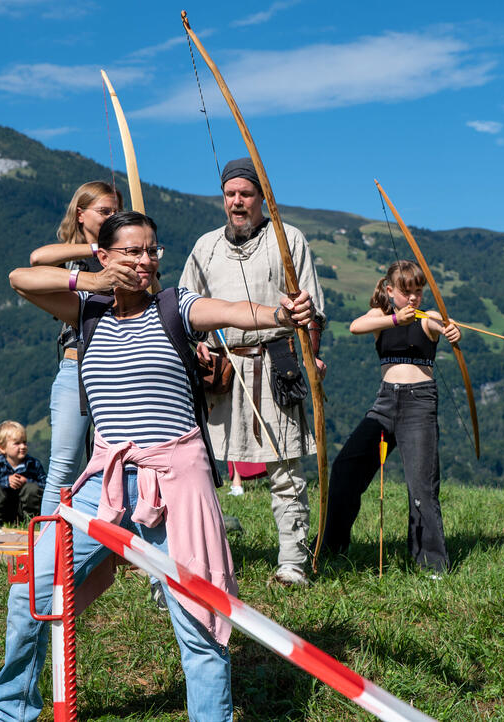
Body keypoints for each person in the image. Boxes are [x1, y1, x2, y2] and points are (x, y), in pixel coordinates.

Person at [0, 210, 314, 722]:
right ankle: (13, 713)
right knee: (29, 594)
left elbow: (229, 309)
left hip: (176, 482)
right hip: (106, 480)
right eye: (132, 251)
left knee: (198, 618)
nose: (146, 261)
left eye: (152, 251)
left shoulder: (174, 305)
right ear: (105, 256)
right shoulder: (86, 310)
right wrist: (92, 279)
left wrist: (281, 315)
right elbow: (19, 278)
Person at [179, 157, 326, 587]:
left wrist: (311, 357)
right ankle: (204, 552)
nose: (237, 202)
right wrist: (198, 350)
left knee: (285, 467)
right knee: (200, 468)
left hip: (277, 362)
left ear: (261, 198)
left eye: (246, 194)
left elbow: (311, 311)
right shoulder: (205, 247)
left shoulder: (288, 239)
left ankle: (292, 563)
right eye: (230, 194)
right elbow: (186, 310)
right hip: (222, 368)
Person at [321, 261, 461, 575]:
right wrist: (395, 319)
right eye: (405, 291)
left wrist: (451, 330)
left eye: (418, 291)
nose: (413, 298)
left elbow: (443, 326)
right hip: (385, 403)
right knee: (345, 469)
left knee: (422, 487)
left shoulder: (429, 318)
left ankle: (433, 565)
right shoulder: (380, 318)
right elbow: (356, 326)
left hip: (419, 403)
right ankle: (330, 547)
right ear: (390, 291)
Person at [28, 181, 122, 516]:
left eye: (116, 211)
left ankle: (113, 548)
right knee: (64, 467)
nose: (111, 216)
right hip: (77, 365)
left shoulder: (123, 255)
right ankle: (48, 552)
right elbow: (37, 258)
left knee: (122, 465)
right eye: (104, 211)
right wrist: (96, 249)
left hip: (119, 366)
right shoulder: (71, 257)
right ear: (81, 215)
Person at [0, 421, 46, 527]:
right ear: (2, 448)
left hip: (26, 510)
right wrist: (6, 481)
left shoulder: (34, 464)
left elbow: (46, 486)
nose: (23, 446)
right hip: (5, 510)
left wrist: (27, 482)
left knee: (32, 488)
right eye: (17, 443)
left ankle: (31, 523)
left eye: (24, 442)